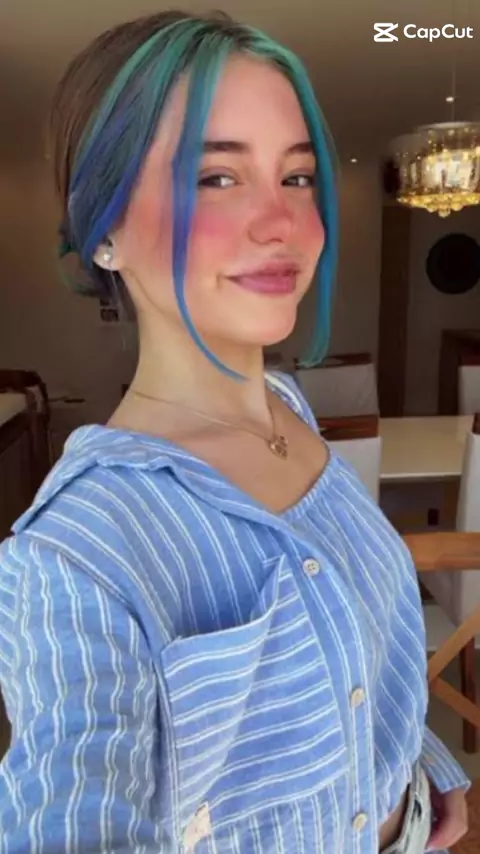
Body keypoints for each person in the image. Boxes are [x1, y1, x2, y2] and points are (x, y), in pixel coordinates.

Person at [0, 11, 470, 854]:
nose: (281, 221)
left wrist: (419, 766)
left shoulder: (290, 411)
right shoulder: (76, 554)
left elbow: (355, 636)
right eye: (216, 177)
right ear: (103, 230)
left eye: (297, 176)